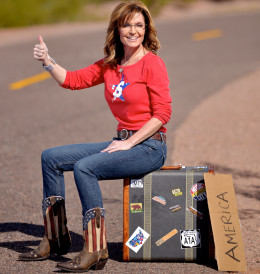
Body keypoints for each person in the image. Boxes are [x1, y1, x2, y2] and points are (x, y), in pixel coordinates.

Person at [18, 0, 172, 272]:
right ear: (117, 28)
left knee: (85, 167)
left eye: (139, 25)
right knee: (51, 158)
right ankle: (55, 239)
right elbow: (72, 80)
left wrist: (128, 143)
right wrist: (47, 60)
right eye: (127, 24)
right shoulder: (111, 64)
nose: (133, 31)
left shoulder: (153, 64)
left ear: (147, 29)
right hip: (124, 141)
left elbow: (162, 114)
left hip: (149, 146)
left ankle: (95, 247)